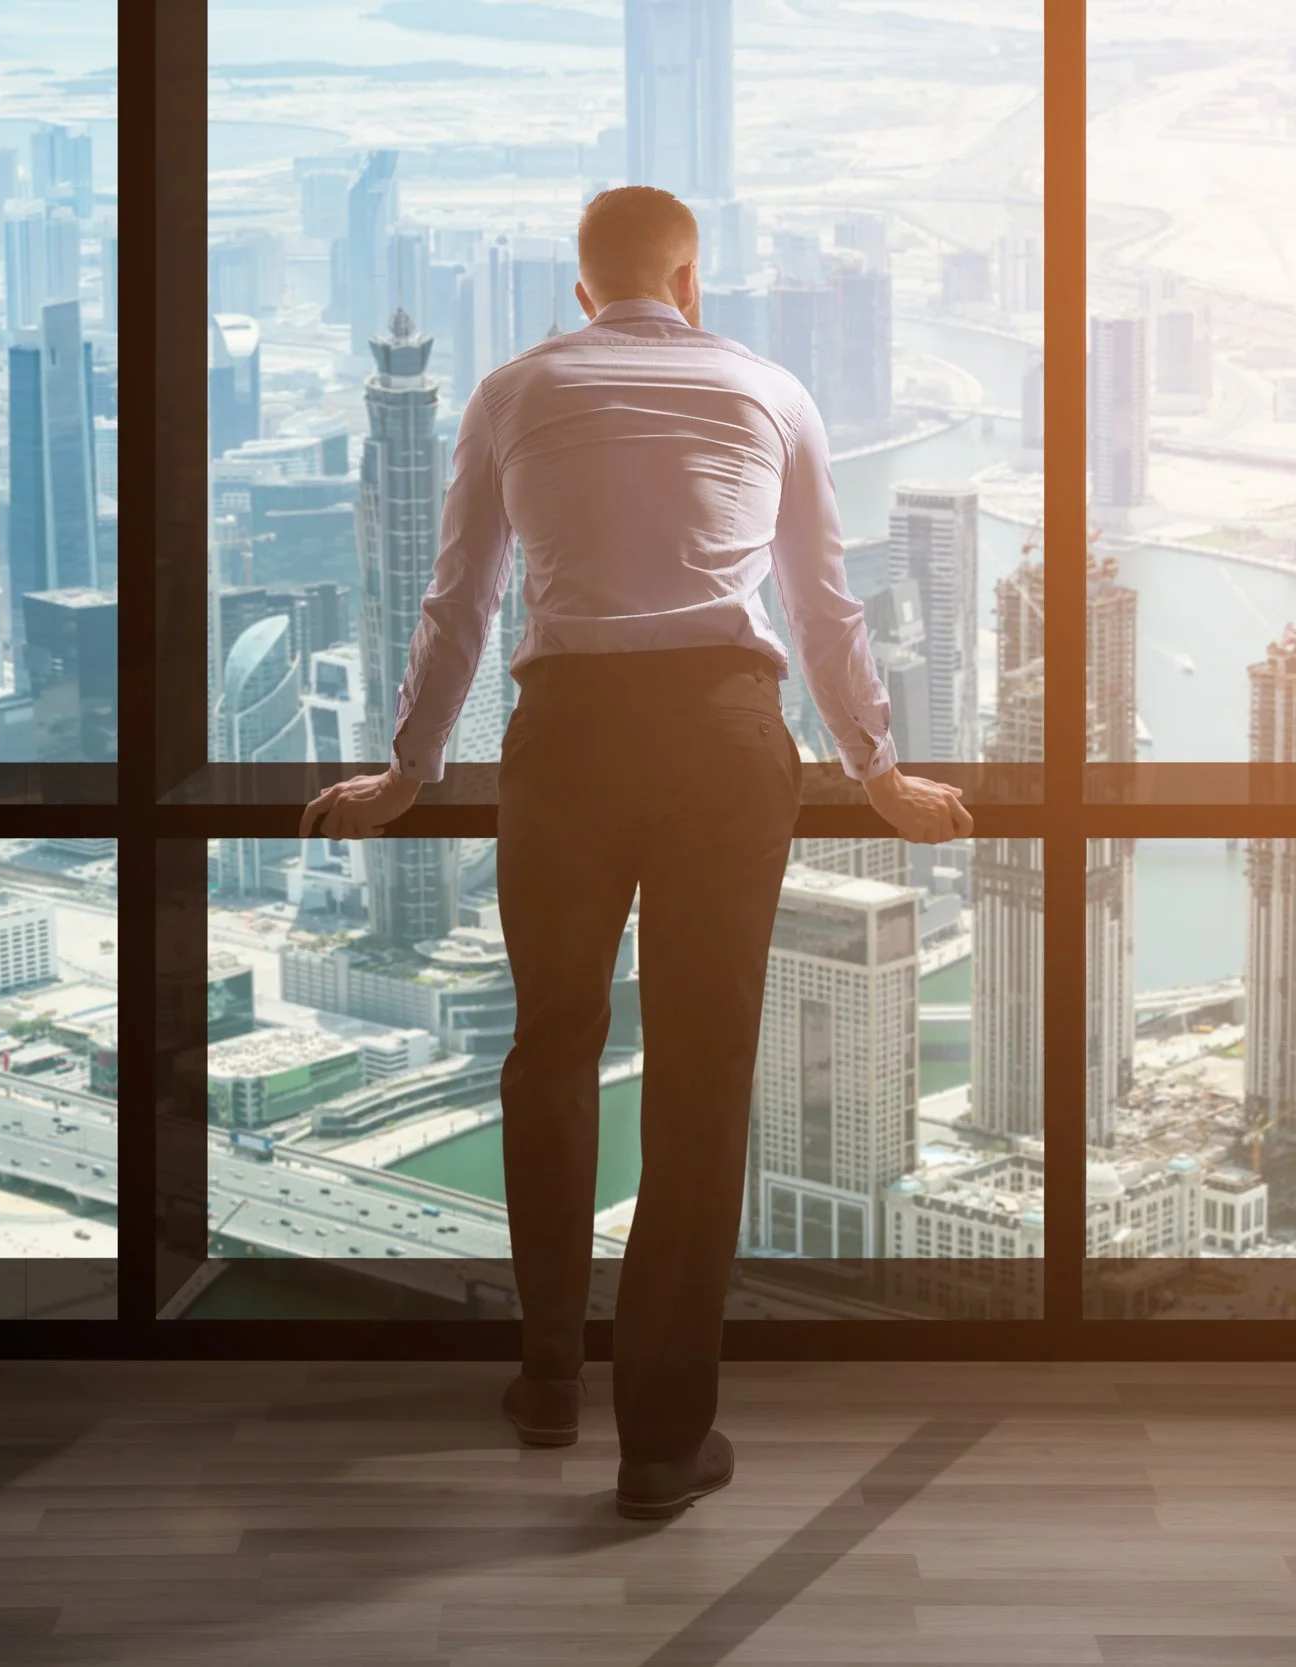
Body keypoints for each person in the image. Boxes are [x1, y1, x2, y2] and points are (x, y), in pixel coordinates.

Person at [299, 185, 970, 1519]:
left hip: (569, 742)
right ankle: (663, 1445)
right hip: (726, 738)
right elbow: (822, 603)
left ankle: (550, 1377)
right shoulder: (772, 391)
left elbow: (460, 607)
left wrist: (407, 774)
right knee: (703, 1081)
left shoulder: (510, 390)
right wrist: (876, 772)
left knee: (550, 1046)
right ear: (694, 280)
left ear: (583, 289)